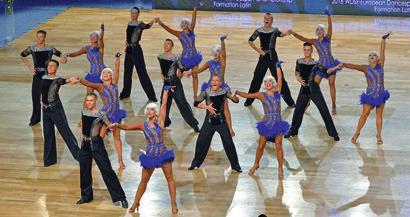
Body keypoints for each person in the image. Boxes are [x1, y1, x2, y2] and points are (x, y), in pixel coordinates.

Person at [115, 87, 178, 214]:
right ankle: (135, 202)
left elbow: (164, 104)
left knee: (169, 178)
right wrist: (117, 125)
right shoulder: (142, 125)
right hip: (150, 155)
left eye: (153, 109)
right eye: (148, 109)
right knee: (144, 180)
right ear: (146, 112)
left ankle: (173, 203)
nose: (150, 111)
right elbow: (126, 127)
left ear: (155, 112)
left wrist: (166, 91)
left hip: (162, 153)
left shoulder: (160, 121)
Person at [72, 53, 127, 169]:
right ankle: (89, 157)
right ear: (102, 77)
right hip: (105, 115)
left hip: (116, 115)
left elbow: (117, 69)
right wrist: (80, 79)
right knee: (99, 138)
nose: (106, 74)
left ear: (111, 76)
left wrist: (117, 58)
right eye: (104, 73)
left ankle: (120, 161)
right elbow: (88, 83)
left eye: (108, 73)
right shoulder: (100, 86)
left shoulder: (115, 84)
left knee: (117, 137)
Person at [235, 61, 289, 178]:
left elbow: (280, 77)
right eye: (266, 82)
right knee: (260, 146)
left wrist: (277, 66)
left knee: (278, 146)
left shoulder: (277, 91)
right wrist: (238, 92)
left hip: (278, 123)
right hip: (267, 123)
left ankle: (280, 168)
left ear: (273, 84)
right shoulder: (261, 95)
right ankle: (256, 164)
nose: (268, 83)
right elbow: (248, 95)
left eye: (270, 81)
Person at [76, 93, 128, 208]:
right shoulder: (83, 112)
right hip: (85, 145)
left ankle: (120, 197)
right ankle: (86, 196)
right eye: (87, 100)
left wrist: (113, 125)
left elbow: (109, 126)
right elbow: (83, 124)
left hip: (97, 145)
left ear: (95, 102)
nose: (89, 102)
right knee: (84, 171)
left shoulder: (101, 114)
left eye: (91, 100)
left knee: (107, 170)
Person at [341, 32, 391, 144]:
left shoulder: (381, 65)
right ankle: (357, 133)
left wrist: (383, 40)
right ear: (369, 59)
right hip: (370, 95)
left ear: (377, 59)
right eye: (370, 55)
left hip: (381, 94)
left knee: (379, 114)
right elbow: (353, 66)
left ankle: (378, 135)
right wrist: (343, 64)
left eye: (374, 55)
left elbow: (382, 51)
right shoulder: (365, 68)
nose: (372, 56)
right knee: (365, 114)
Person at [285, 42, 340, 141]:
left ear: (311, 51)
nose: (306, 51)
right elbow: (297, 72)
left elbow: (326, 71)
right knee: (298, 111)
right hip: (304, 89)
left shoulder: (316, 63)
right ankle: (293, 131)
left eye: (308, 50)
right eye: (305, 49)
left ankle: (334, 133)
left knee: (324, 110)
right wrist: (297, 78)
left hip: (314, 89)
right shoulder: (299, 61)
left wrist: (336, 67)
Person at [189, 75, 242, 173]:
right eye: (213, 80)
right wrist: (206, 106)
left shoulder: (225, 91)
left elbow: (236, 101)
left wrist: (235, 97)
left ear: (220, 83)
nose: (214, 82)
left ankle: (236, 166)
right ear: (211, 82)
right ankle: (195, 163)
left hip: (221, 122)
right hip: (209, 122)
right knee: (201, 141)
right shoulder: (206, 92)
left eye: (217, 80)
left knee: (229, 143)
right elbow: (196, 103)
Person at [291, 8, 340, 114]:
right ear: (316, 33)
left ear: (324, 32)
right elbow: (303, 39)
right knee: (313, 85)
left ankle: (334, 105)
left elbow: (331, 28)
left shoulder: (328, 38)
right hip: (321, 65)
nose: (319, 31)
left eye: (321, 29)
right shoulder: (314, 41)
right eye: (317, 30)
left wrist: (329, 16)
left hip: (331, 64)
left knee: (332, 84)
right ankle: (307, 102)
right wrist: (294, 33)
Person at [244, 13, 295, 108]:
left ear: (272, 20)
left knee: (280, 79)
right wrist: (258, 50)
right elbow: (250, 40)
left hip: (273, 57)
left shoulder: (275, 30)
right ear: (264, 19)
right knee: (256, 78)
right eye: (265, 18)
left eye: (269, 18)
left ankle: (290, 102)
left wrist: (287, 32)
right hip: (263, 57)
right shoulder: (258, 31)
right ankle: (249, 100)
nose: (267, 20)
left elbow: (281, 34)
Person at [190, 35, 235, 135]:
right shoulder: (209, 63)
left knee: (225, 108)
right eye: (214, 52)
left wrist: (222, 41)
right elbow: (199, 70)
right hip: (210, 88)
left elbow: (224, 54)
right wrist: (190, 72)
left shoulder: (223, 63)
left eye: (217, 52)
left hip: (221, 87)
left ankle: (230, 128)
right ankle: (207, 129)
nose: (215, 54)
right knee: (209, 108)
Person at [157, 2, 203, 99]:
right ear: (182, 25)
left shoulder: (192, 31)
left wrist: (195, 9)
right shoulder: (179, 34)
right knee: (178, 77)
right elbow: (169, 29)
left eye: (187, 23)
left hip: (194, 57)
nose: (186, 25)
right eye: (184, 24)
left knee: (195, 75)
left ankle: (195, 95)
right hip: (185, 58)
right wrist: (161, 23)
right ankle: (172, 91)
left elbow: (194, 20)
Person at [20, 30, 66, 126]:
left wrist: (63, 58)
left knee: (52, 96)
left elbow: (60, 54)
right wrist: (30, 67)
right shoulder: (32, 48)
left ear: (44, 37)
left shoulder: (50, 48)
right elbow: (22, 55)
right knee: (35, 96)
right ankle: (35, 119)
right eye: (37, 36)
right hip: (37, 74)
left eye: (41, 37)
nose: (39, 39)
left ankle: (59, 118)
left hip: (48, 75)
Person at [41, 59, 79, 166]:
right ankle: (49, 160)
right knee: (48, 135)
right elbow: (42, 90)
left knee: (65, 133)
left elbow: (64, 81)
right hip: (45, 110)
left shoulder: (57, 79)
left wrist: (71, 79)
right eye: (49, 65)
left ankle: (80, 157)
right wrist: (41, 101)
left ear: (57, 68)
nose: (50, 67)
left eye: (53, 66)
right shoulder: (43, 77)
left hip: (55, 109)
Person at [157, 38, 200, 131]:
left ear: (172, 46)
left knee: (182, 103)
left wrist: (191, 64)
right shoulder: (160, 56)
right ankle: (164, 122)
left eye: (168, 44)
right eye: (165, 44)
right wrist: (162, 77)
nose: (166, 45)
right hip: (166, 84)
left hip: (175, 83)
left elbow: (182, 68)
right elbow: (162, 69)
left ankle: (194, 124)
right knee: (163, 104)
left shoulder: (176, 57)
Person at [119, 7, 157, 102]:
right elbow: (128, 35)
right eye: (131, 13)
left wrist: (153, 21)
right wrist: (126, 42)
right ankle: (125, 93)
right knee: (127, 73)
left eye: (134, 13)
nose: (132, 15)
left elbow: (147, 26)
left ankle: (152, 96)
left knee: (142, 73)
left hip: (136, 51)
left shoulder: (140, 24)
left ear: (138, 14)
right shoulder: (129, 23)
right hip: (129, 51)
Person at [64, 24, 105, 91]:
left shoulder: (100, 47)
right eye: (91, 37)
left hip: (101, 72)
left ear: (97, 38)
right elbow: (76, 53)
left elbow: (101, 38)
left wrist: (102, 30)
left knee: (103, 92)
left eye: (94, 37)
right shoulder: (86, 48)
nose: (92, 38)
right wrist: (67, 54)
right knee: (89, 91)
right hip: (92, 72)